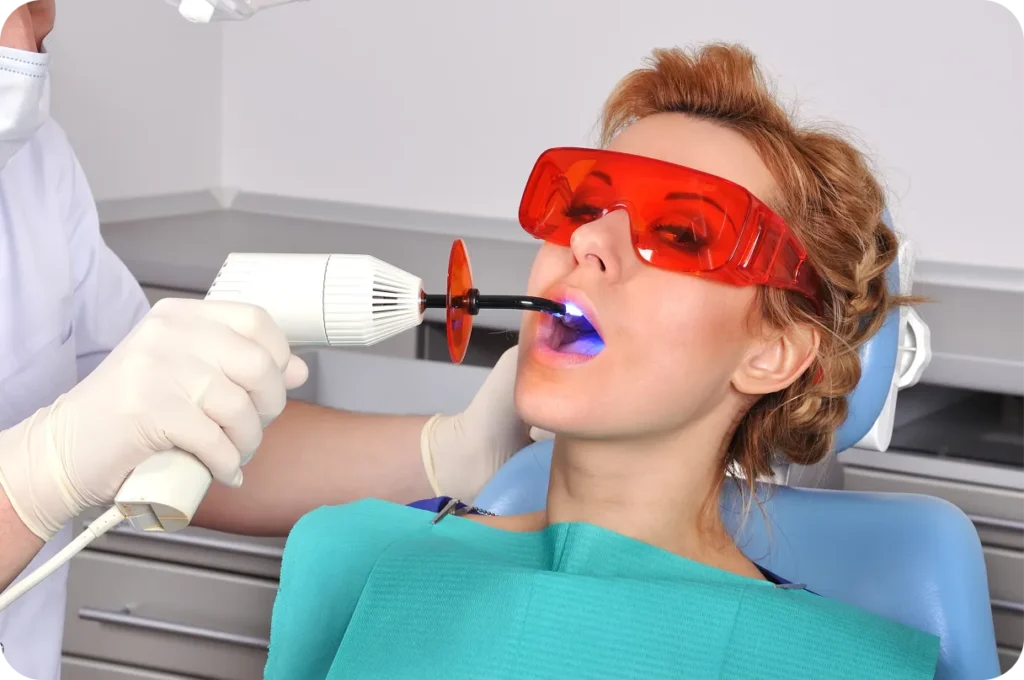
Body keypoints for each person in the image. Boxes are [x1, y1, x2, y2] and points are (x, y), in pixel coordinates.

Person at [263, 44, 941, 679]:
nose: (587, 240)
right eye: (585, 206)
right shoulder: (353, 556)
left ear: (773, 353)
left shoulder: (846, 666)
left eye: (681, 232)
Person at [0, 2, 531, 677]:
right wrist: (37, 477)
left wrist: (451, 451)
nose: (27, 37)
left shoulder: (34, 161)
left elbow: (182, 432)